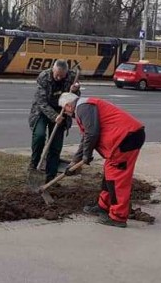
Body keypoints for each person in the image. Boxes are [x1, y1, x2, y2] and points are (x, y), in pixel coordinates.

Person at [59, 92, 146, 228]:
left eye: (64, 110)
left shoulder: (83, 108)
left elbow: (92, 133)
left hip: (126, 139)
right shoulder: (84, 107)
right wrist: (75, 161)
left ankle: (118, 217)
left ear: (68, 106)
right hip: (125, 138)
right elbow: (86, 138)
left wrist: (86, 156)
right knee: (109, 173)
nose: (65, 113)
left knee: (117, 178)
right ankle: (104, 206)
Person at [28, 59, 80, 182]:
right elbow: (41, 102)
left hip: (61, 111)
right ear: (53, 69)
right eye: (56, 74)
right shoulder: (44, 77)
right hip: (42, 111)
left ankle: (50, 176)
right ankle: (34, 165)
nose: (57, 77)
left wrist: (76, 90)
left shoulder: (72, 77)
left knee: (55, 146)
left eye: (61, 76)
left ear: (66, 73)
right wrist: (54, 116)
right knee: (39, 136)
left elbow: (75, 98)